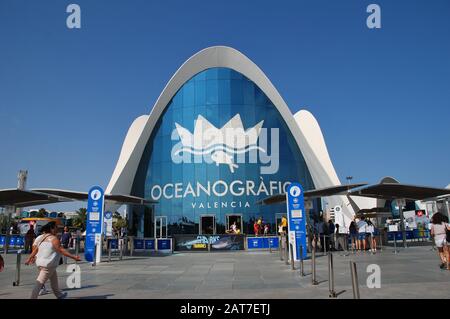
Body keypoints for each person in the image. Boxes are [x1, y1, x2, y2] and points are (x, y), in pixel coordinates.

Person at [25, 221, 81, 299]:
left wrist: (30, 258)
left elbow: (35, 249)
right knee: (39, 283)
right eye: (56, 227)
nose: (57, 229)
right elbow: (62, 250)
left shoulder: (41, 237)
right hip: (47, 265)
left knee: (53, 278)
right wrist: (74, 257)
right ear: (52, 229)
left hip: (41, 263)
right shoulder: (54, 239)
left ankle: (59, 295)